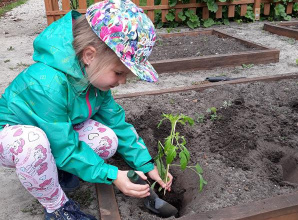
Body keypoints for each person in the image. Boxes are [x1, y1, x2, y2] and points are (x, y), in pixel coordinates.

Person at [0, 0, 173, 219]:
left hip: (55, 133)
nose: (122, 82)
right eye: (119, 73)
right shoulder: (48, 84)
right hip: (12, 135)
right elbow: (63, 146)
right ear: (90, 55)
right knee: (32, 142)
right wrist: (112, 175)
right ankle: (57, 209)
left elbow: (118, 124)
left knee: (107, 139)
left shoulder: (93, 79)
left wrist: (147, 165)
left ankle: (60, 171)